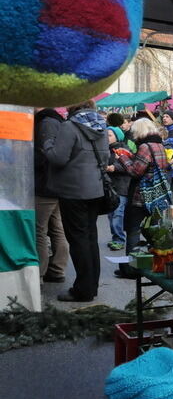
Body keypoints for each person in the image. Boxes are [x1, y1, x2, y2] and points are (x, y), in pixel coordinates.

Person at [41, 100, 108, 301]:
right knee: (90, 239)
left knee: (78, 241)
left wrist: (47, 143)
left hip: (73, 192)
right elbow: (106, 159)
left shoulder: (70, 127)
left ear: (73, 107)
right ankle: (91, 286)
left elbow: (58, 158)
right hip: (95, 190)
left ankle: (82, 290)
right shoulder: (101, 126)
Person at [114, 117, 170, 279]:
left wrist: (122, 158)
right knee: (154, 231)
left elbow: (136, 172)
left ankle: (131, 269)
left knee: (133, 230)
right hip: (156, 195)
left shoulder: (145, 146)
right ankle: (156, 264)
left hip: (141, 196)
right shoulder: (159, 144)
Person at [33, 108, 69, 284]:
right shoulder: (57, 121)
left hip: (45, 185)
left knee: (39, 230)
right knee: (56, 228)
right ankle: (57, 269)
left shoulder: (45, 123)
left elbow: (44, 156)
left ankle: (39, 273)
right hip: (56, 185)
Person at [105, 126, 131, 251]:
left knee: (117, 214)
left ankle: (119, 239)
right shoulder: (105, 149)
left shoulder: (123, 148)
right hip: (110, 187)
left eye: (109, 135)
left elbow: (127, 165)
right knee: (111, 214)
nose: (106, 137)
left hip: (121, 186)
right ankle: (115, 237)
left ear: (117, 136)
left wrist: (114, 167)